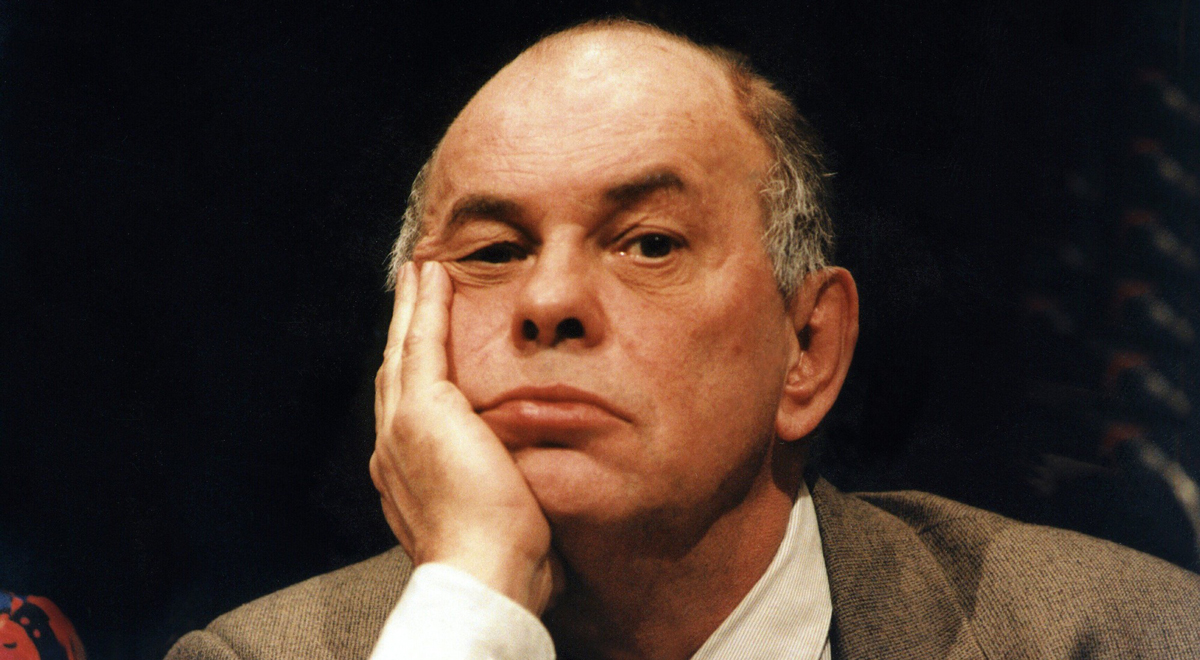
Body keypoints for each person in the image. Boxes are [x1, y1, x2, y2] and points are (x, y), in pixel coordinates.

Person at [165, 19, 1200, 660]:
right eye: (492, 251)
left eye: (649, 243)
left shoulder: (1125, 636)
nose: (549, 301)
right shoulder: (252, 657)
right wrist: (473, 596)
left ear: (808, 349)